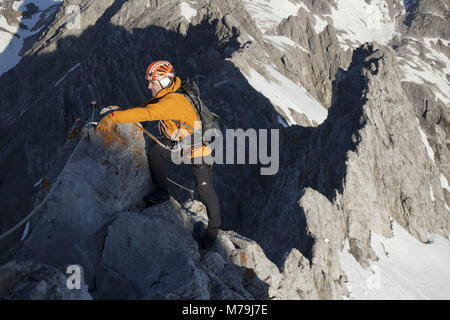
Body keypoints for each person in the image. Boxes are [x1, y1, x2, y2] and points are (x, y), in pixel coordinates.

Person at [96, 60, 221, 249]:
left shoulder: (173, 101)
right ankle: (162, 192)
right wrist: (124, 112)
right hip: (181, 146)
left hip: (198, 150)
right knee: (155, 151)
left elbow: (147, 113)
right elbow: (146, 106)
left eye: (152, 82)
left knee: (204, 189)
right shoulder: (166, 94)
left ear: (163, 82)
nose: (148, 86)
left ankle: (213, 232)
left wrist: (114, 117)